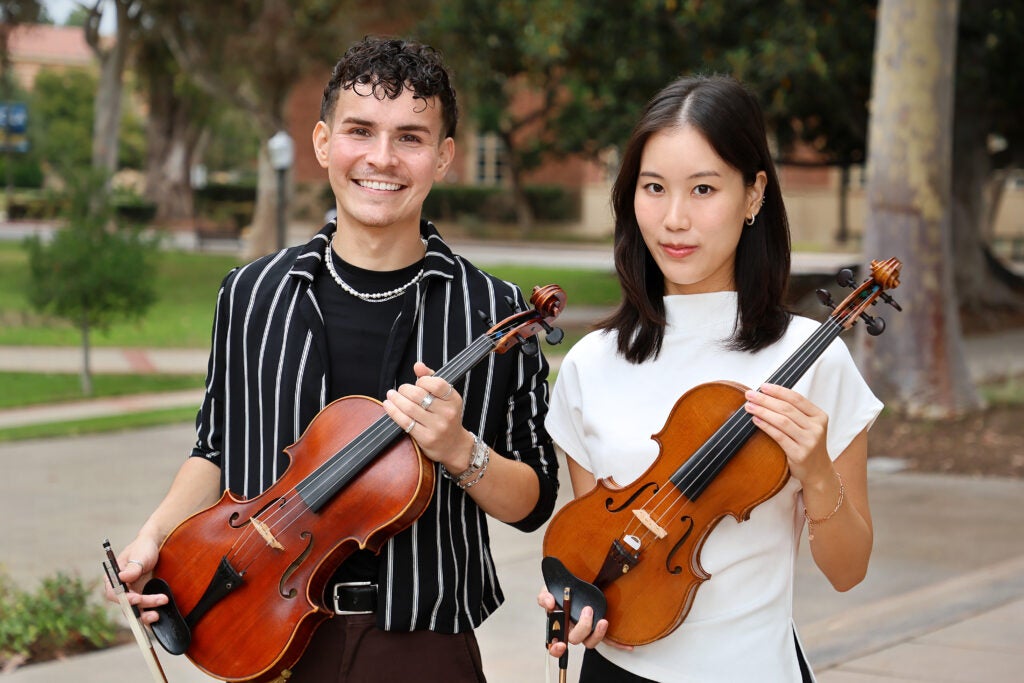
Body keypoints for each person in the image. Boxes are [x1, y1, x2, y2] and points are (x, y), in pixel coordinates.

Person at [107, 36, 559, 682]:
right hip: (263, 632)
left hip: (421, 644)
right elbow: (214, 450)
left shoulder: (495, 311)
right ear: (323, 142)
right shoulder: (251, 293)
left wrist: (461, 451)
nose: (382, 157)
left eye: (410, 137)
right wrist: (154, 536)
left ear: (443, 157)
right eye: (360, 130)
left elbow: (534, 500)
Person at [537, 75, 882, 682]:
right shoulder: (591, 363)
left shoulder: (813, 356)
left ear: (754, 195)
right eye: (654, 188)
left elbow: (848, 571)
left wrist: (816, 471)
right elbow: (598, 555)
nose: (675, 219)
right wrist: (577, 609)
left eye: (703, 189)